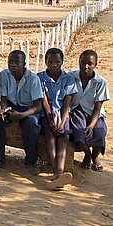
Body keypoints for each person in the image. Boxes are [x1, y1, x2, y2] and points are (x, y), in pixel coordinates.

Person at [0, 50, 43, 176]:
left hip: (28, 108)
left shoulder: (33, 78)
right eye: (10, 61)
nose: (13, 65)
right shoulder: (4, 75)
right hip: (11, 106)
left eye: (17, 62)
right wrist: (3, 109)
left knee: (32, 124)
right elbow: (3, 99)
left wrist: (22, 115)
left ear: (24, 63)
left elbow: (38, 107)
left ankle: (31, 162)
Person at [37, 48, 77, 190]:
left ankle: (59, 172)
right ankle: (56, 172)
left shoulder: (68, 79)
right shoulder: (39, 77)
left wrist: (63, 121)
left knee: (64, 136)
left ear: (62, 62)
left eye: (57, 62)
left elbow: (67, 104)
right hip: (46, 114)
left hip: (62, 114)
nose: (54, 65)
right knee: (49, 135)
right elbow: (44, 101)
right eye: (50, 62)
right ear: (46, 62)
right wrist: (51, 121)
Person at [69, 49, 110, 171]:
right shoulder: (71, 77)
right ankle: (87, 155)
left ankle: (95, 156)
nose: (85, 67)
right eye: (82, 62)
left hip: (94, 113)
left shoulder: (101, 82)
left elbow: (97, 108)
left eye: (90, 64)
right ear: (79, 62)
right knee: (79, 133)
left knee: (99, 132)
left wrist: (91, 126)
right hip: (77, 110)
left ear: (95, 65)